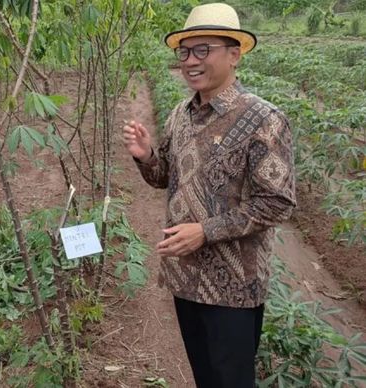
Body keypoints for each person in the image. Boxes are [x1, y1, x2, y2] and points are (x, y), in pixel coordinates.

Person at [122, 3, 295, 387]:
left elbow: (278, 201)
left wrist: (205, 231)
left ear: (234, 55)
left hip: (233, 288)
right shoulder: (181, 114)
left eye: (203, 50)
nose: (190, 61)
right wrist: (147, 155)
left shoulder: (263, 119)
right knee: (205, 376)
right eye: (184, 51)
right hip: (185, 277)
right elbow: (165, 177)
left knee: (230, 380)